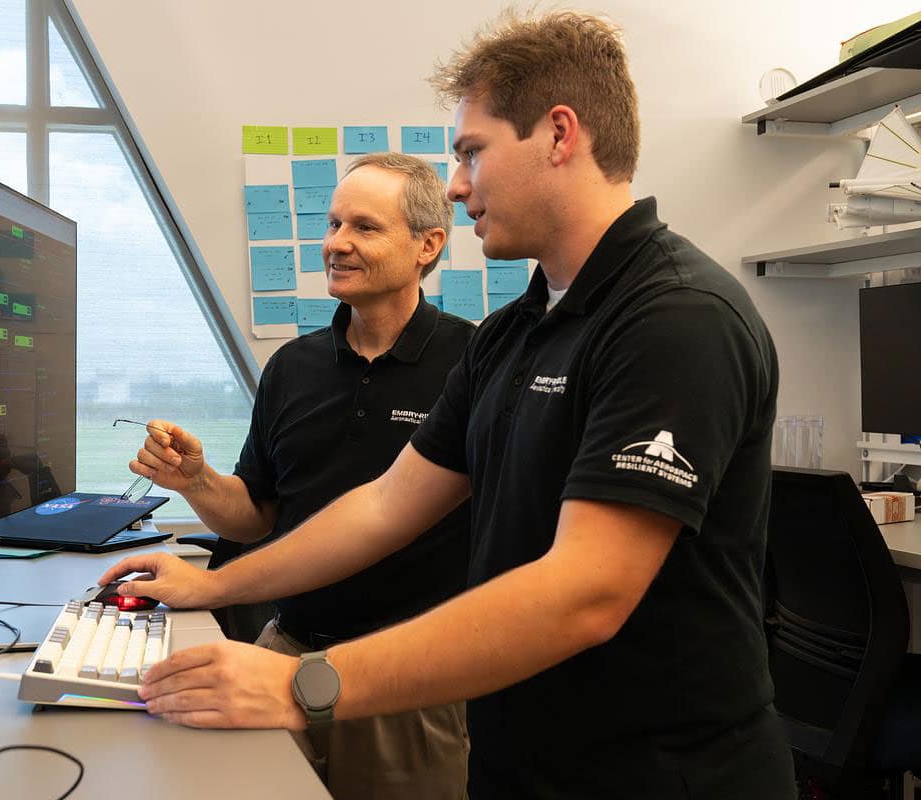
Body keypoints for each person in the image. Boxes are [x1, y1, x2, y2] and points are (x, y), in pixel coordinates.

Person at [103, 11, 796, 799]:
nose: (459, 184)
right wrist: (215, 586)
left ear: (559, 135)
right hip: (523, 760)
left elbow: (585, 594)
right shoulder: (514, 335)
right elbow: (383, 507)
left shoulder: (674, 318)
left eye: (472, 152)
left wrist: (304, 685)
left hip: (658, 775)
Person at [128, 153, 475, 798]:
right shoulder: (292, 366)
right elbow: (259, 514)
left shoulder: (473, 361)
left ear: (428, 245)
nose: (336, 245)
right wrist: (196, 482)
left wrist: (215, 588)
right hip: (282, 650)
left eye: (364, 228)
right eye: (333, 224)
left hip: (401, 676)